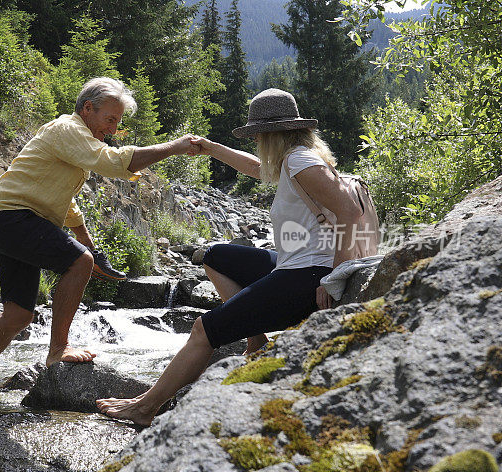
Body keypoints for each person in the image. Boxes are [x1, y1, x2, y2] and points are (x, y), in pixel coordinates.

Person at [97, 88, 363, 425]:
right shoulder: (296, 158)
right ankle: (257, 340)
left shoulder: (300, 161)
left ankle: (145, 408)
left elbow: (350, 214)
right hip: (293, 264)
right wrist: (211, 148)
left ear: (271, 134)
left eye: (257, 136)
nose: (256, 144)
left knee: (204, 330)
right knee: (215, 255)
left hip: (309, 275)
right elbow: (255, 168)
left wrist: (333, 278)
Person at [0, 77, 199, 393]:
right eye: (110, 120)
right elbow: (114, 163)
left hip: (7, 220)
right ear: (87, 109)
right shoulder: (68, 129)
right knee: (79, 263)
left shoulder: (73, 139)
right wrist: (174, 148)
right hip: (14, 217)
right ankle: (58, 350)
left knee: (19, 314)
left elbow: (61, 194)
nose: (112, 129)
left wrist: (84, 236)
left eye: (117, 123)